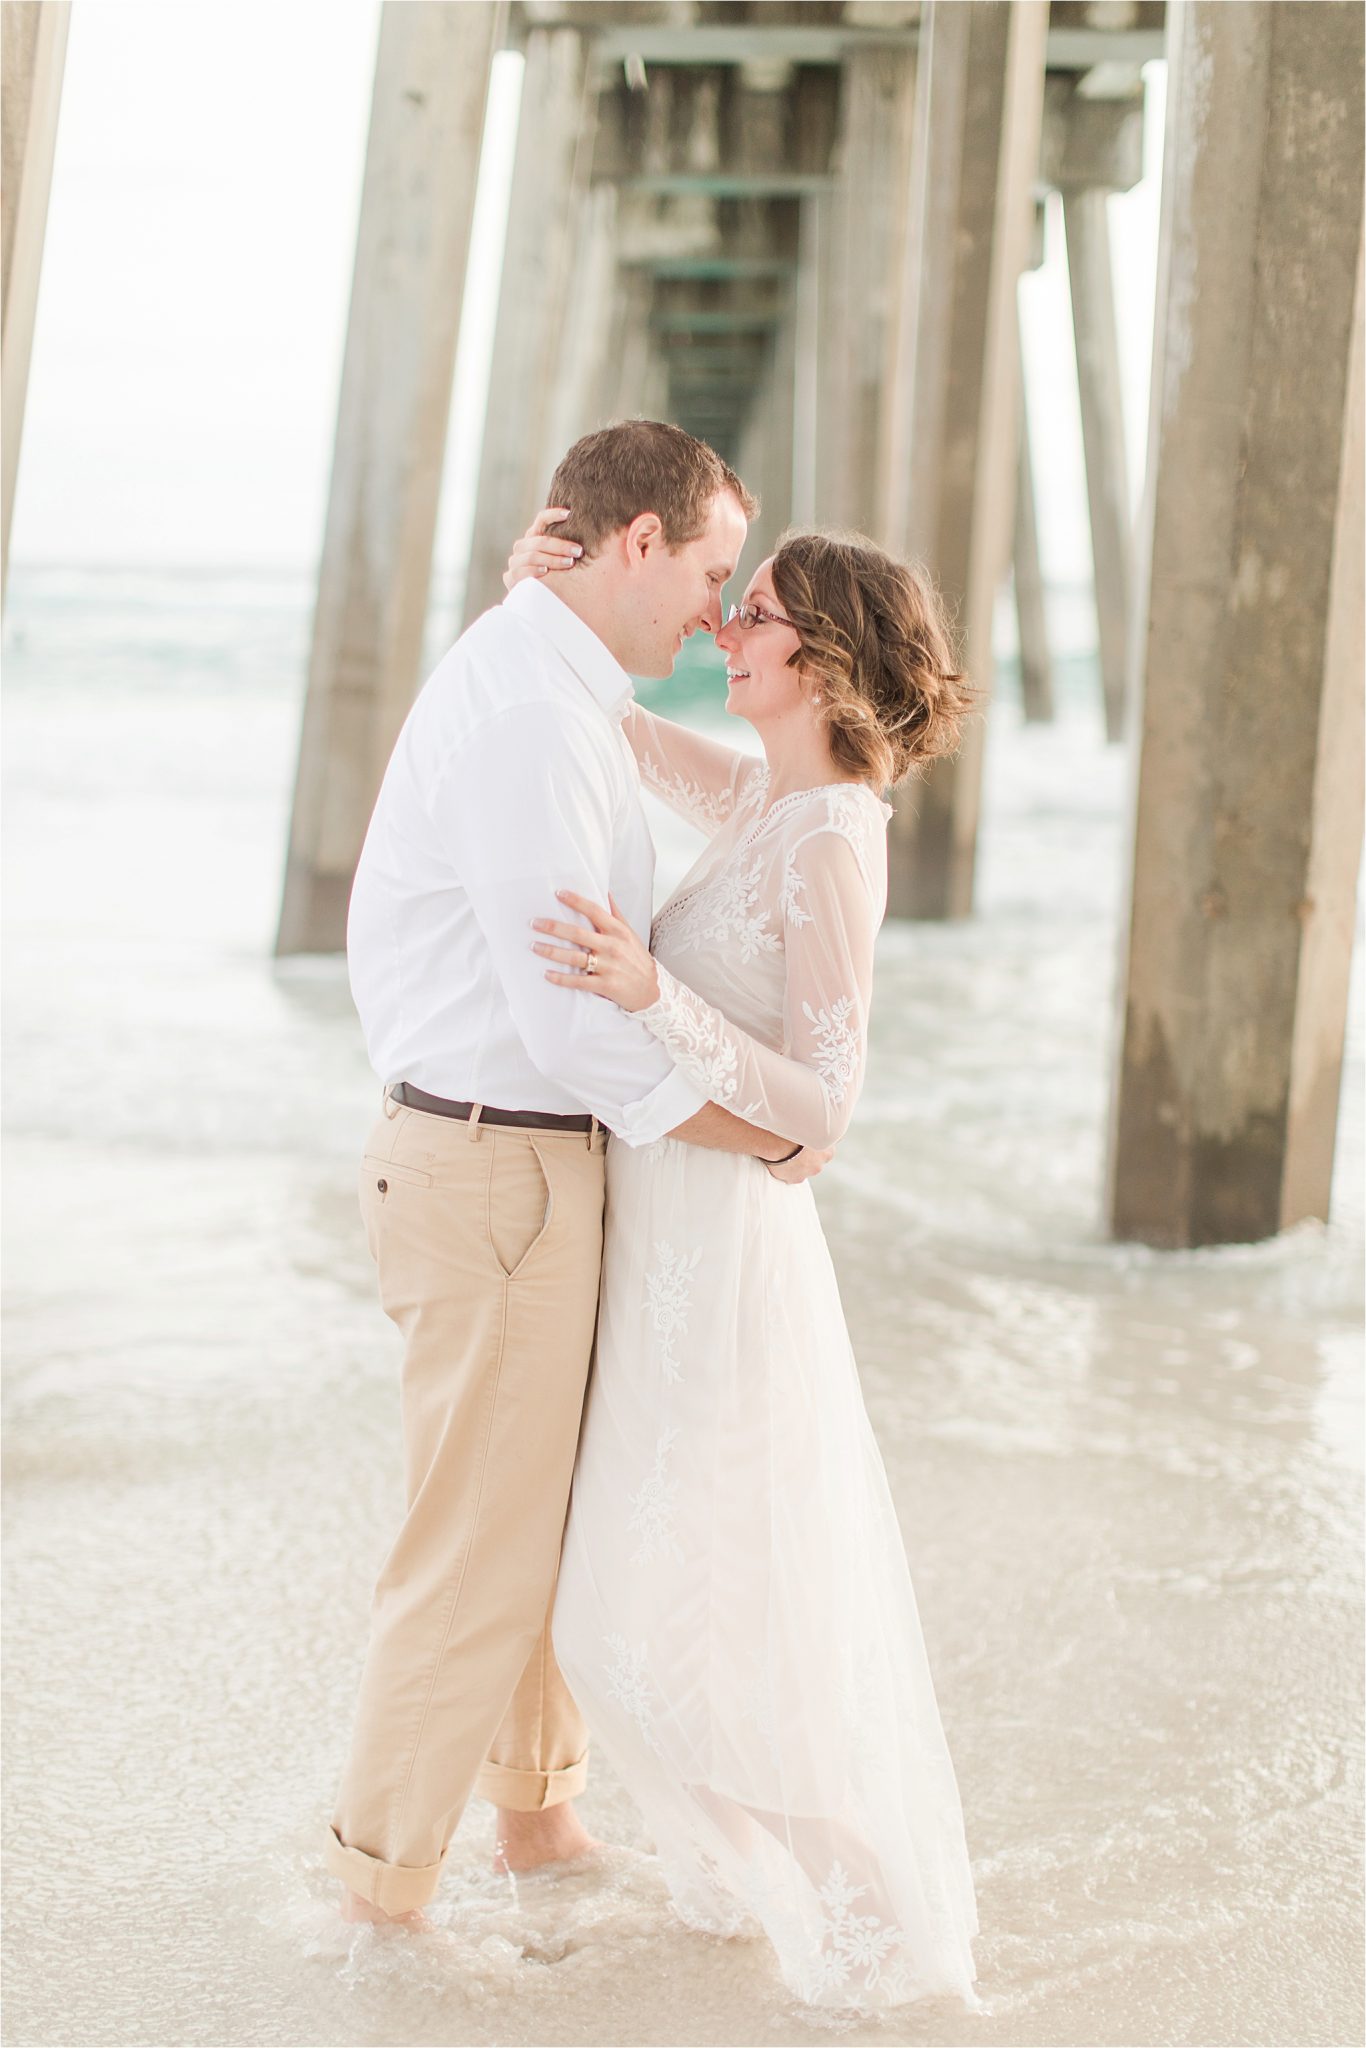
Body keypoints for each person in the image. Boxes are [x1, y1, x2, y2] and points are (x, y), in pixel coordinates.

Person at [327, 422, 825, 1929]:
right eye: (709, 570)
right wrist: (765, 1132)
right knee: (474, 1550)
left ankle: (535, 1823)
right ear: (633, 544)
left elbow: (748, 819)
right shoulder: (536, 717)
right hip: (494, 1165)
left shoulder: (560, 684)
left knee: (540, 1517)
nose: (716, 611)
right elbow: (570, 1020)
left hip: (523, 1165)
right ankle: (377, 1899)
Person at [503, 511, 981, 2010]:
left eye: (754, 613)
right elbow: (631, 734)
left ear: (824, 657)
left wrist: (655, 998)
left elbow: (822, 1109)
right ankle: (781, 1887)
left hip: (724, 1258)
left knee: (638, 1615)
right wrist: (546, 606)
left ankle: (864, 1904)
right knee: (656, 1603)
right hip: (670, 1244)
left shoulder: (833, 836)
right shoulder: (773, 798)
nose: (727, 630)